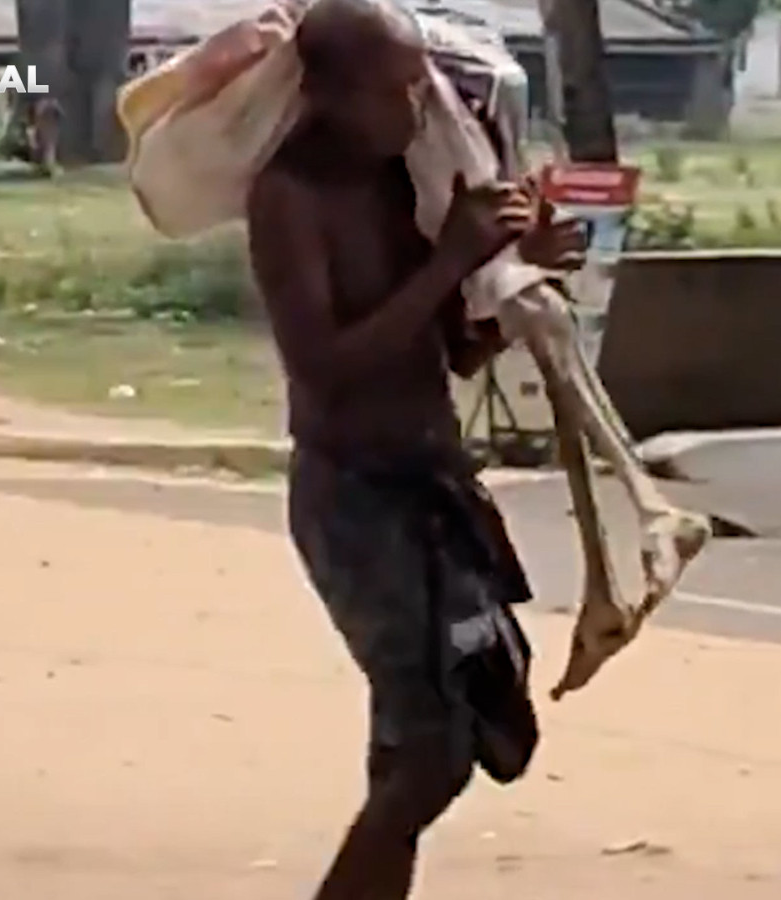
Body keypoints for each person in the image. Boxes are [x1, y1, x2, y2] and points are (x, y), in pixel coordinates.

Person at [244, 1, 585, 897]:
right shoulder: (289, 197)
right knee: (431, 753)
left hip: (435, 486)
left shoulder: (404, 185)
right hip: (355, 500)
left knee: (459, 725)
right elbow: (323, 366)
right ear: (328, 95)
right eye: (395, 92)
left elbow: (455, 349)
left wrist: (519, 267)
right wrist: (450, 260)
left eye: (418, 88)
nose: (416, 111)